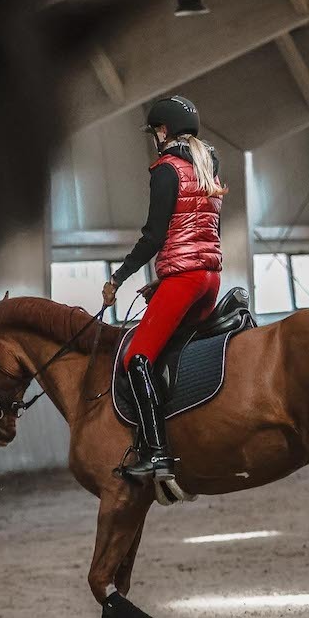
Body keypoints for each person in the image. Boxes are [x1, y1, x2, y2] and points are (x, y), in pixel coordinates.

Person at [101, 95, 226, 480]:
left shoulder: (167, 169)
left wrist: (117, 278)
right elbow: (206, 232)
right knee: (172, 348)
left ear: (164, 130)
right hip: (209, 277)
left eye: (155, 130)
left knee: (135, 358)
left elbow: (154, 235)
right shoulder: (208, 166)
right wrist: (164, 279)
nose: (154, 137)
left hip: (186, 279)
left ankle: (157, 453)